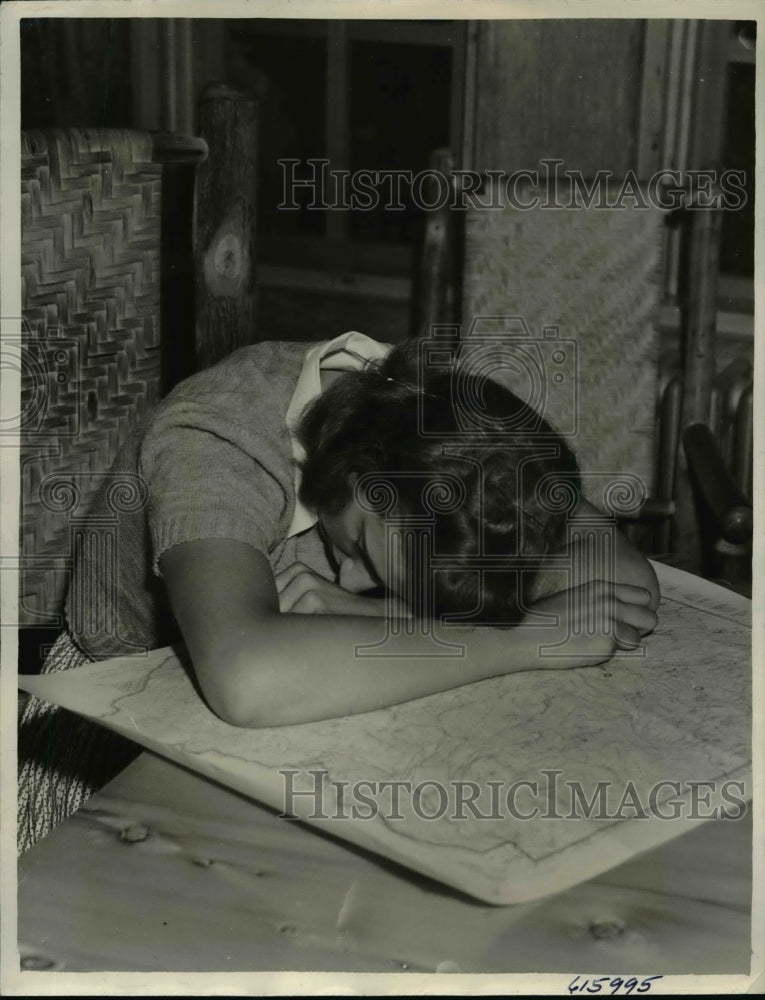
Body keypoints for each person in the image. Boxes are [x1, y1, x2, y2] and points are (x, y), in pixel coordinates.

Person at [18, 330, 658, 850]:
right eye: (356, 548)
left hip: (320, 683)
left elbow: (625, 582)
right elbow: (248, 677)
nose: (348, 580)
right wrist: (529, 637)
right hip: (124, 706)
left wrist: (375, 617)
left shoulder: (433, 423)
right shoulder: (217, 443)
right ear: (358, 472)